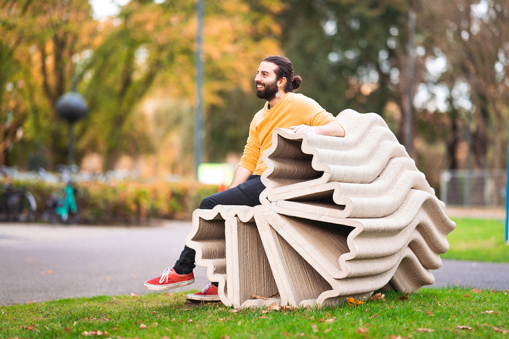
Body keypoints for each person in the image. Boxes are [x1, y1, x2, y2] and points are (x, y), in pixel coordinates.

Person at [144, 55, 345, 301]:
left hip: (278, 182)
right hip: (257, 182)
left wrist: (312, 130)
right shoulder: (259, 118)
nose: (257, 78)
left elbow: (338, 128)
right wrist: (228, 196)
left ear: (282, 81)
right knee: (218, 209)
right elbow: (249, 159)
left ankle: (182, 271)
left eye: (264, 74)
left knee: (208, 204)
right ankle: (221, 284)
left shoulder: (300, 104)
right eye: (257, 73)